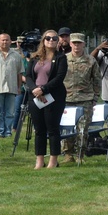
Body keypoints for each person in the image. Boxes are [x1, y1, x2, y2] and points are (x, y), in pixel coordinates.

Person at [24, 30, 68, 169]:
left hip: (53, 97)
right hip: (35, 97)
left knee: (53, 129)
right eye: (48, 38)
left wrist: (43, 89)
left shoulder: (61, 58)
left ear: (57, 41)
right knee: (39, 130)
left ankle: (53, 161)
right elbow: (28, 77)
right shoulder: (34, 57)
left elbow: (59, 77)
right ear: (43, 40)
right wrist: (35, 90)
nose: (51, 40)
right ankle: (39, 160)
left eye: (54, 38)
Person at [60, 33, 101, 164]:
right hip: (67, 99)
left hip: (85, 99)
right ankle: (68, 154)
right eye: (74, 43)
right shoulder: (63, 59)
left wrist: (95, 98)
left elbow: (97, 80)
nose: (76, 45)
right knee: (67, 128)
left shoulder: (91, 60)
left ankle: (80, 155)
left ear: (84, 44)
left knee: (82, 130)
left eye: (79, 43)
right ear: (70, 44)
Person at [0, 33, 23, 138]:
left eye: (7, 40)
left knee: (10, 112)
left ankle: (8, 131)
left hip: (11, 87)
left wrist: (19, 87)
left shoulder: (16, 55)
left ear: (10, 41)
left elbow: (19, 73)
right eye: (2, 40)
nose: (5, 42)